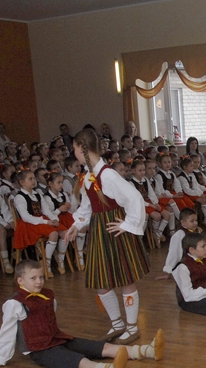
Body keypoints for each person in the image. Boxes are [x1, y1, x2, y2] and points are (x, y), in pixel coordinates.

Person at [0, 260, 163, 368]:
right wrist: (1, 359)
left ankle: (148, 351)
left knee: (100, 347)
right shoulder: (14, 304)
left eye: (41, 277)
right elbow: (6, 331)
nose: (39, 281)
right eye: (33, 278)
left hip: (57, 339)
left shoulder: (48, 295)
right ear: (20, 281)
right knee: (79, 360)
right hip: (40, 349)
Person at [64, 128, 150, 345]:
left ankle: (132, 327)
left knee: (125, 279)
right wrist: (77, 224)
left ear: (81, 148)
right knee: (102, 280)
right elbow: (87, 205)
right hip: (99, 230)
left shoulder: (108, 175)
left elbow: (134, 198)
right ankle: (117, 324)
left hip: (114, 228)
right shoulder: (88, 176)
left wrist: (128, 223)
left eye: (74, 148)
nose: (72, 152)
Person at [12, 170, 68, 277]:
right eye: (30, 179)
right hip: (29, 224)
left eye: (34, 178)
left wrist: (54, 219)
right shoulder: (20, 197)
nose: (34, 181)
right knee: (53, 233)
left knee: (65, 232)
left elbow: (46, 210)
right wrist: (46, 222)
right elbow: (25, 217)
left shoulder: (37, 194)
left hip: (41, 220)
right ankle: (46, 263)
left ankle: (60, 259)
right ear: (22, 182)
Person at [130, 159, 170, 243]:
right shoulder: (131, 183)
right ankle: (146, 235)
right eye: (140, 170)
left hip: (149, 202)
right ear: (133, 171)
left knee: (167, 214)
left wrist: (155, 203)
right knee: (157, 216)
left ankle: (158, 232)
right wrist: (150, 205)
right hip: (141, 204)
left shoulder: (145, 180)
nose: (142, 172)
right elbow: (137, 199)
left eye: (143, 170)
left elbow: (152, 194)